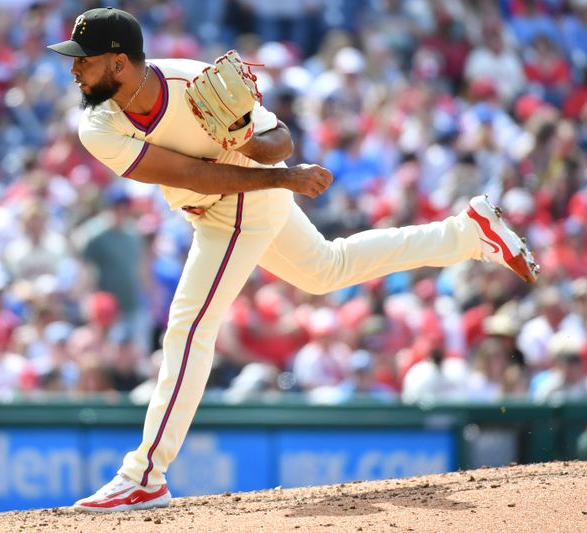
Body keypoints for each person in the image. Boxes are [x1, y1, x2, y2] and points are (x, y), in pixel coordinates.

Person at [48, 7, 539, 512]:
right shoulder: (97, 125)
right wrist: (281, 177)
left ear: (119, 62)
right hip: (227, 195)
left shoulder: (191, 80)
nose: (73, 69)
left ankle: (144, 474)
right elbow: (194, 174)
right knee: (328, 269)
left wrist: (250, 143)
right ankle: (466, 235)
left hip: (242, 200)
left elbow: (281, 141)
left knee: (189, 327)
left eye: (83, 60)